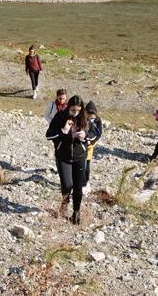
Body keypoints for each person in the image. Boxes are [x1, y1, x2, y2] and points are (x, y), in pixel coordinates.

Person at [45, 95, 97, 224]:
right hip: (63, 156)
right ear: (68, 107)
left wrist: (85, 136)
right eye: (73, 110)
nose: (75, 113)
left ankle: (76, 211)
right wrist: (63, 130)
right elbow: (49, 135)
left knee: (78, 186)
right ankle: (65, 201)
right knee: (67, 185)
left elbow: (95, 133)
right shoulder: (60, 116)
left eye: (78, 110)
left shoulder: (84, 117)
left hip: (80, 156)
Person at [82, 101, 103, 193]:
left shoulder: (98, 120)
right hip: (81, 145)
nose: (91, 119)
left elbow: (99, 133)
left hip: (90, 146)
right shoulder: (82, 119)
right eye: (89, 117)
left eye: (92, 118)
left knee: (87, 164)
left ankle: (86, 182)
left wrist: (92, 142)